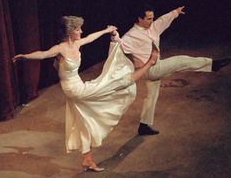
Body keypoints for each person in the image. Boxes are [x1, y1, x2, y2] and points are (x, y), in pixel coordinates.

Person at [12, 16, 158, 172]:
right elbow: (42, 54)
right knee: (116, 82)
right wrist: (25, 56)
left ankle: (87, 159)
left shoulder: (77, 43)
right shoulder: (60, 48)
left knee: (84, 122)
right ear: (70, 32)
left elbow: (90, 38)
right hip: (75, 90)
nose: (81, 31)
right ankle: (150, 63)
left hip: (79, 87)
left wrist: (107, 30)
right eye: (78, 29)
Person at [111, 5, 231, 135]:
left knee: (152, 96)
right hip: (149, 69)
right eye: (148, 19)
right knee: (181, 61)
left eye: (152, 18)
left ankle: (144, 126)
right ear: (139, 19)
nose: (152, 21)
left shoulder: (153, 27)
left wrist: (176, 12)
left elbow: (163, 20)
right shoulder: (131, 35)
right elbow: (120, 44)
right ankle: (212, 65)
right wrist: (114, 36)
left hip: (156, 64)